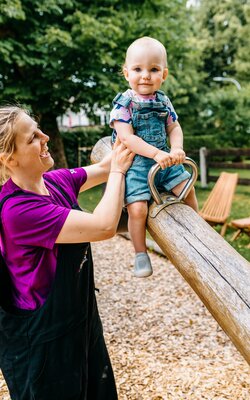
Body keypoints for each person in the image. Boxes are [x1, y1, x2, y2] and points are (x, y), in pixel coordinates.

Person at [0, 105, 134, 400]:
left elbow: (102, 167)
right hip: (41, 345)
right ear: (9, 159)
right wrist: (119, 170)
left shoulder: (54, 182)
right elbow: (103, 226)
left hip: (80, 322)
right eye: (32, 137)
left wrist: (134, 134)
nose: (44, 136)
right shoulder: (18, 211)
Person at [110, 36, 198, 278]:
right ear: (126, 73)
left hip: (165, 161)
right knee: (137, 209)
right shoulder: (123, 105)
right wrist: (156, 153)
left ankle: (198, 232)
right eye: (138, 69)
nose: (145, 75)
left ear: (164, 74)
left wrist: (176, 148)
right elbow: (128, 138)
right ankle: (140, 252)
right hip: (138, 165)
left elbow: (174, 127)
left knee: (187, 188)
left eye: (153, 69)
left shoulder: (163, 100)